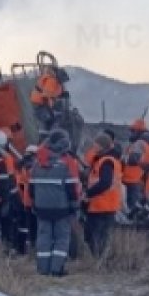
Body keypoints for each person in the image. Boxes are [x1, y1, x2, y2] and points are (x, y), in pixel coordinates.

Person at [30, 128, 81, 276]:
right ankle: (57, 269)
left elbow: (31, 188)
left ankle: (43, 269)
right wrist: (74, 206)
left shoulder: (36, 165)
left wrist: (34, 204)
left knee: (43, 237)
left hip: (41, 208)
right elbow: (72, 189)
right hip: (61, 208)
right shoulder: (65, 166)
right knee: (62, 238)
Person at [82, 132, 122, 257]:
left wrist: (87, 193)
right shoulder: (110, 160)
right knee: (100, 236)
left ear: (101, 146)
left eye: (96, 145)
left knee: (95, 236)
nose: (94, 147)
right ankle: (101, 260)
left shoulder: (106, 162)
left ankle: (99, 260)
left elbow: (105, 182)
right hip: (107, 204)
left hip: (101, 204)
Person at [123, 119, 149, 211]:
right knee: (136, 202)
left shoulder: (139, 143)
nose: (131, 133)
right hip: (139, 177)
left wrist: (122, 159)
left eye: (132, 131)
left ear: (138, 131)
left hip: (131, 177)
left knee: (132, 204)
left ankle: (132, 221)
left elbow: (133, 159)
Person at [30, 66, 64, 131]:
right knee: (49, 119)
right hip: (39, 103)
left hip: (42, 103)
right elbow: (45, 96)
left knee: (52, 118)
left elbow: (52, 94)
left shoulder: (56, 82)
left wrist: (62, 94)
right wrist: (50, 111)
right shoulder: (51, 81)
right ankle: (46, 132)